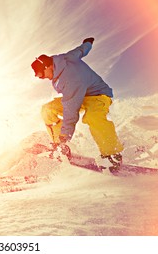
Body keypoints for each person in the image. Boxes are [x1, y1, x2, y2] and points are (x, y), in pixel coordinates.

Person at [31, 37, 124, 169]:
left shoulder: (69, 78)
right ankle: (59, 145)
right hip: (80, 95)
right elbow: (80, 51)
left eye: (41, 74)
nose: (43, 78)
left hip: (98, 95)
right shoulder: (64, 59)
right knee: (48, 109)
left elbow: (71, 109)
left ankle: (112, 154)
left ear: (48, 66)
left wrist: (65, 135)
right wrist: (88, 44)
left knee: (94, 118)